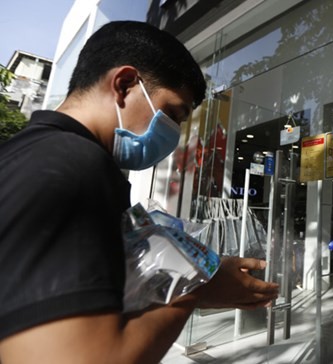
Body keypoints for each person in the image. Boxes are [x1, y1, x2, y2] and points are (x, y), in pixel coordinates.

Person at [0, 21, 279, 364]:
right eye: (173, 113)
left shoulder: (32, 153)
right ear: (125, 84)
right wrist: (195, 285)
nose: (174, 133)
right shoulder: (74, 166)